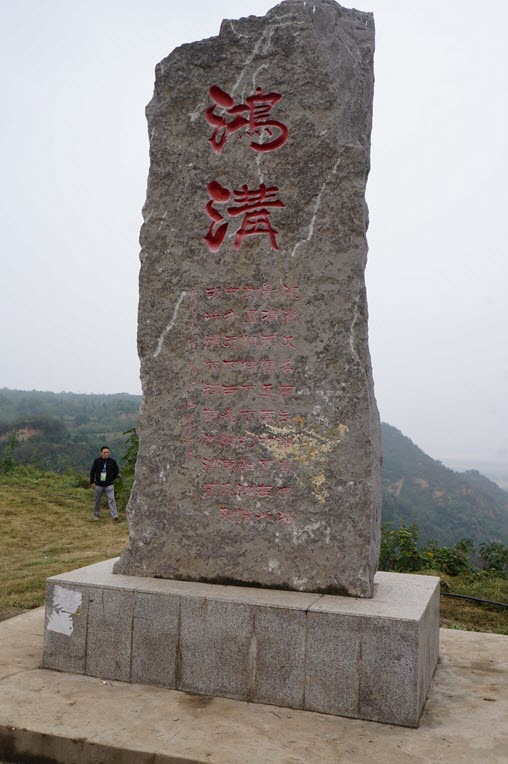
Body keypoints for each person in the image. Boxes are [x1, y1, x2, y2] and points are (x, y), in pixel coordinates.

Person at [90, 446, 119, 521]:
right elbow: (92, 471)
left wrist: (112, 479)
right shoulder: (97, 461)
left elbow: (116, 471)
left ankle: (114, 515)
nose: (106, 454)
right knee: (97, 500)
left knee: (112, 499)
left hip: (109, 485)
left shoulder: (112, 461)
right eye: (104, 452)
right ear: (101, 453)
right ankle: (96, 515)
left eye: (107, 452)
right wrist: (92, 482)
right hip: (98, 485)